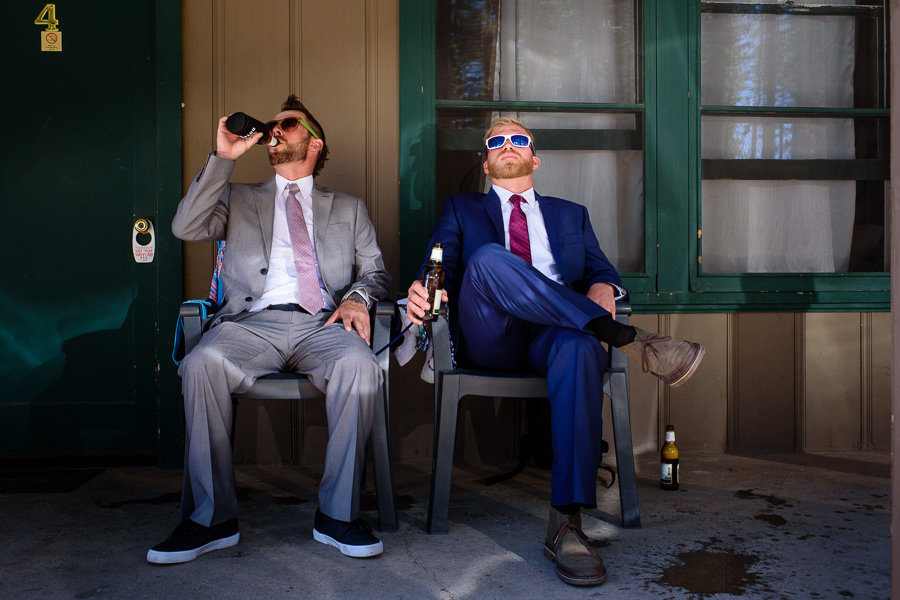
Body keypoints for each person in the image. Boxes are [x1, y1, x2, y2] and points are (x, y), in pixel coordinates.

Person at [405, 117, 705, 587]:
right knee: (486, 258)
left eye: (518, 139)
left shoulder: (571, 213)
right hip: (493, 332)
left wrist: (604, 284)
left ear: (534, 158)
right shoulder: (461, 208)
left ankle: (567, 524)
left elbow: (602, 270)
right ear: (486, 163)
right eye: (496, 141)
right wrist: (421, 285)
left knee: (580, 345)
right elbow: (435, 266)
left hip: (556, 334)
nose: (508, 145)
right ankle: (633, 340)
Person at [148, 95, 391, 564]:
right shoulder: (238, 197)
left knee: (360, 367)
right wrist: (223, 159)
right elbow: (185, 226)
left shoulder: (348, 207)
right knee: (201, 364)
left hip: (323, 324)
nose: (275, 131)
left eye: (288, 124)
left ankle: (337, 516)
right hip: (250, 324)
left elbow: (376, 272)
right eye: (271, 126)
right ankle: (211, 519)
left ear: (314, 141)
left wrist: (359, 298)